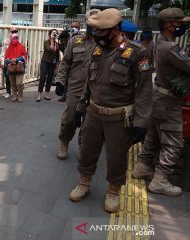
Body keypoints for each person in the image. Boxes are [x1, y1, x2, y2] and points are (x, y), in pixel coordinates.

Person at [69, 8, 153, 213]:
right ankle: (84, 182)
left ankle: (113, 191)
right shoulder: (98, 50)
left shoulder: (137, 53)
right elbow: (90, 82)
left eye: (100, 32)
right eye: (94, 31)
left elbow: (144, 91)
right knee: (87, 151)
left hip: (118, 117)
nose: (95, 36)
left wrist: (141, 123)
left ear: (115, 30)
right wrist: (80, 107)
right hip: (94, 113)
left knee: (117, 157)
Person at [132, 8, 190, 197]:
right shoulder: (169, 48)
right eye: (180, 23)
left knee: (153, 136)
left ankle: (142, 168)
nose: (182, 26)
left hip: (159, 97)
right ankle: (160, 180)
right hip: (168, 101)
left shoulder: (162, 44)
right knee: (174, 143)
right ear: (170, 25)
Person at [55, 9, 100, 160]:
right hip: (75, 89)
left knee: (89, 124)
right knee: (69, 119)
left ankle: (83, 147)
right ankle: (64, 142)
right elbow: (65, 63)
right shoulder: (75, 41)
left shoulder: (104, 45)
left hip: (95, 91)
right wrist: (60, 81)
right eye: (90, 24)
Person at [36, 29, 60, 102]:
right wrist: (52, 40)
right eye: (53, 33)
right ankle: (39, 94)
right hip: (45, 62)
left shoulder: (57, 43)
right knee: (43, 78)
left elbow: (57, 54)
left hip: (52, 63)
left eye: (55, 33)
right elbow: (50, 49)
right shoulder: (46, 42)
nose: (54, 34)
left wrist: (57, 63)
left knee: (50, 78)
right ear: (50, 34)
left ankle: (47, 94)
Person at [4, 33, 28, 102]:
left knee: (19, 83)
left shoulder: (21, 46)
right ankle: (15, 96)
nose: (15, 40)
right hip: (11, 68)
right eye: (14, 38)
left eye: (16, 38)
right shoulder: (9, 48)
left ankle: (20, 96)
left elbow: (24, 57)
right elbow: (6, 58)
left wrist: (16, 59)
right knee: (13, 83)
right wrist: (10, 60)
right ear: (11, 39)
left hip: (19, 68)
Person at [0, 27, 19, 99]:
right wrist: (2, 62)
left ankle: (16, 91)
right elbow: (3, 53)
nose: (14, 33)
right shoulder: (6, 42)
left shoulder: (18, 41)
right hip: (8, 62)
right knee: (7, 78)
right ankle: (8, 92)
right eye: (12, 31)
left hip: (16, 62)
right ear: (9, 32)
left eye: (15, 31)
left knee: (16, 77)